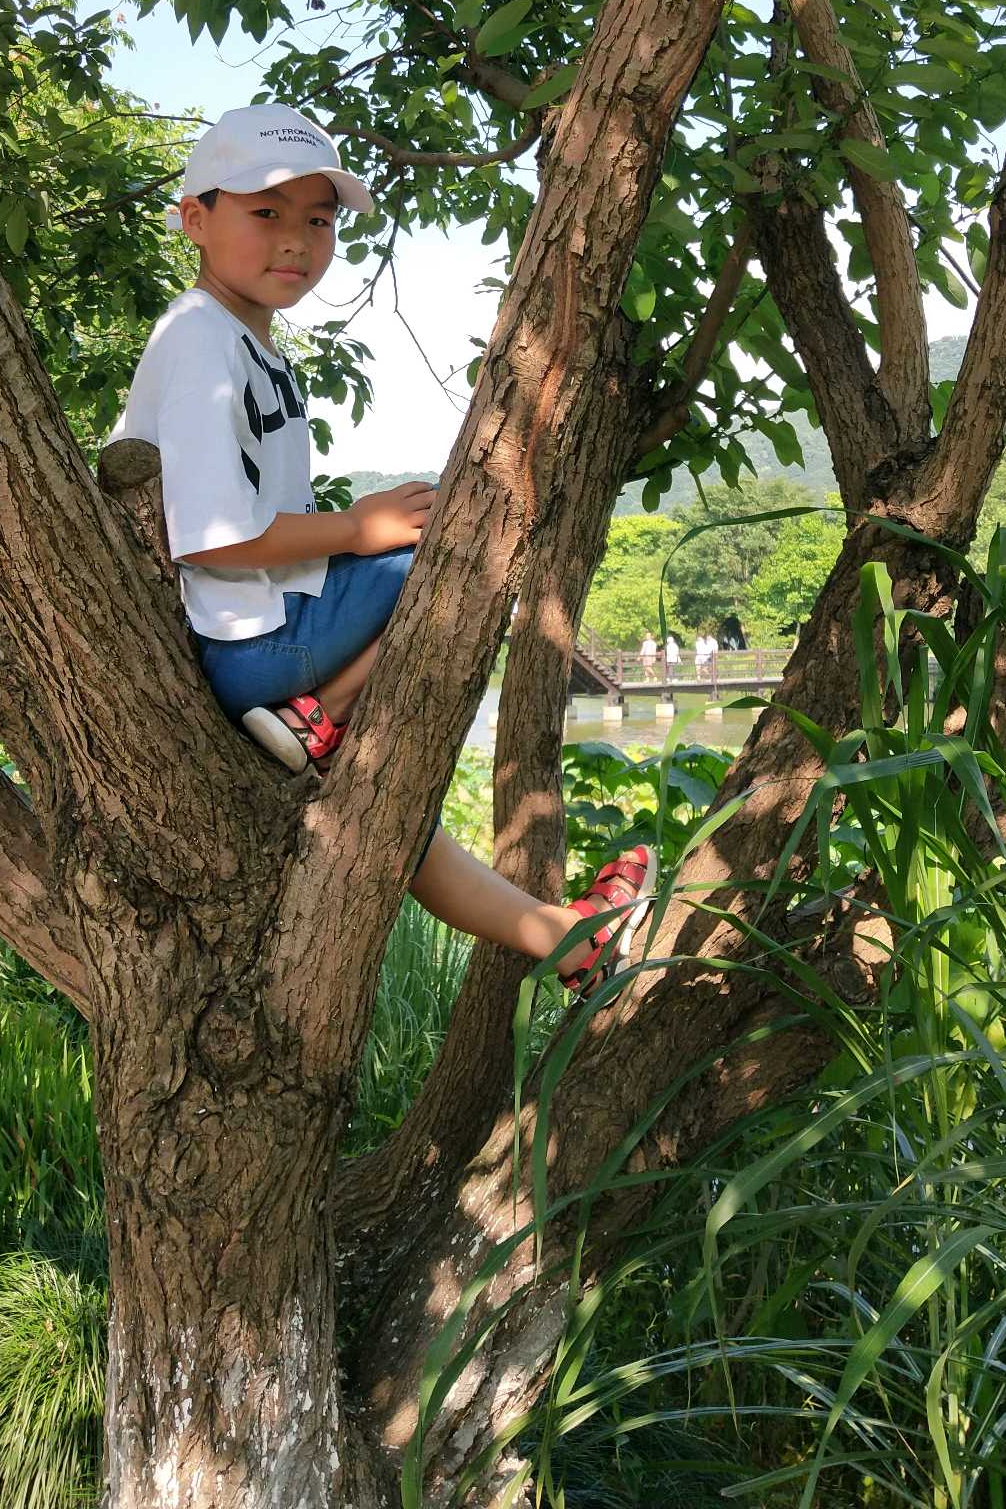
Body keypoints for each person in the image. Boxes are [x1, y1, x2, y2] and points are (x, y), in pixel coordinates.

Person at [107, 103, 655, 996]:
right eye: (266, 212)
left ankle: (568, 940)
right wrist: (362, 531)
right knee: (458, 557)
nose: (297, 241)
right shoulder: (203, 338)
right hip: (255, 644)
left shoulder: (245, 340)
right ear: (194, 219)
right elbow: (212, 538)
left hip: (259, 635)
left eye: (318, 221)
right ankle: (316, 710)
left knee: (395, 822)